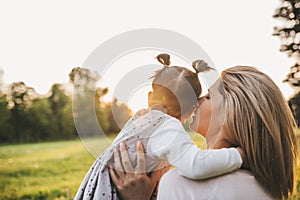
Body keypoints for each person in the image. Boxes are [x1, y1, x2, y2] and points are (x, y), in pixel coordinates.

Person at [110, 66, 298, 200]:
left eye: (208, 96)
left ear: (231, 115)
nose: (197, 100)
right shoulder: (263, 187)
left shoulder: (180, 184)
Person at [75, 54, 244, 199]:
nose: (202, 100)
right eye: (204, 96)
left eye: (208, 96)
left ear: (150, 97)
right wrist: (238, 155)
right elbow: (195, 165)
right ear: (191, 109)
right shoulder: (167, 127)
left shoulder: (140, 119)